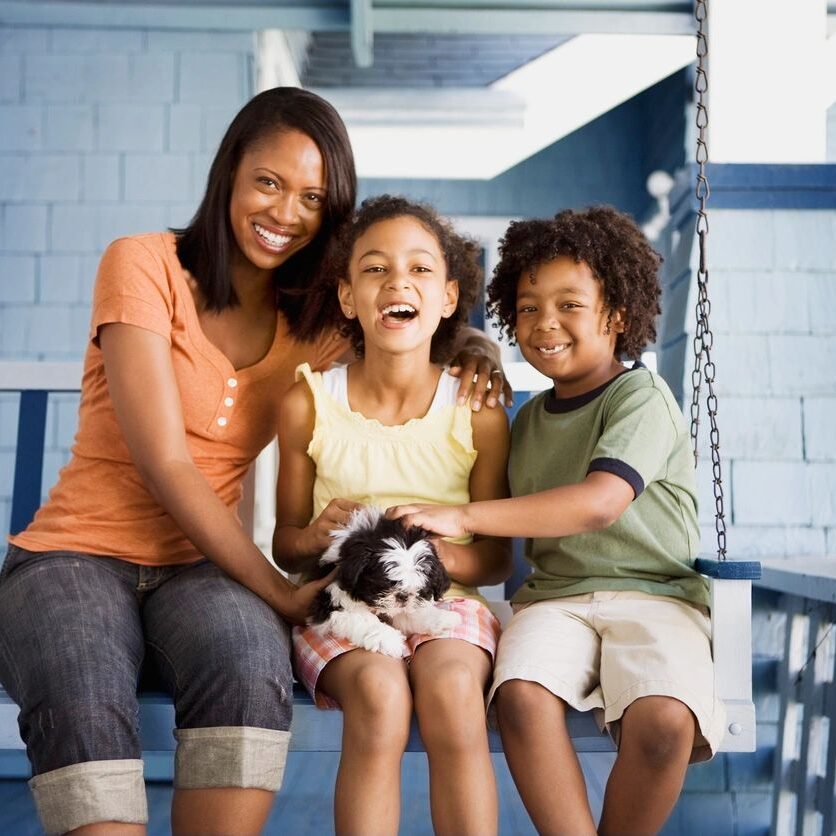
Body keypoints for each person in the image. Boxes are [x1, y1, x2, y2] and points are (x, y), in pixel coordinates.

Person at [0, 89, 509, 836]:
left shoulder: (311, 325)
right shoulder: (144, 265)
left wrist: (473, 347)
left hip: (203, 572)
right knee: (82, 685)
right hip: (76, 554)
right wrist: (279, 589)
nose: (285, 212)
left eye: (312, 197)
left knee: (246, 667)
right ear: (230, 172)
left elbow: (398, 324)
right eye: (269, 182)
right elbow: (166, 461)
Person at [390, 206, 726, 835]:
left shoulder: (641, 397)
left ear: (618, 314)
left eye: (570, 304)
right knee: (519, 699)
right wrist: (472, 352)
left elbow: (600, 501)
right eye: (526, 307)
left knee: (665, 723)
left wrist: (460, 513)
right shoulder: (528, 417)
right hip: (555, 603)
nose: (544, 323)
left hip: (657, 598)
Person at [274, 195, 511, 836]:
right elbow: (286, 547)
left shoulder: (475, 409)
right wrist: (317, 531)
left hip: (448, 604)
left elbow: (495, 557)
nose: (398, 281)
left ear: (447, 296)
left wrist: (437, 551)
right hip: (341, 606)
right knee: (380, 698)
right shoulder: (309, 403)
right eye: (375, 269)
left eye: (419, 270)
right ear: (348, 297)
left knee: (454, 692)